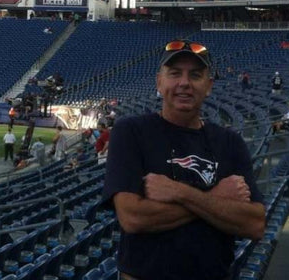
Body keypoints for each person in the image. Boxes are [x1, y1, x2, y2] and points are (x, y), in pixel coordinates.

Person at [102, 39, 265, 280]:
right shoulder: (131, 131)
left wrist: (180, 192)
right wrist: (216, 198)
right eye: (175, 73)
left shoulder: (230, 142)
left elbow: (255, 224)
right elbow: (133, 217)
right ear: (159, 82)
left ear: (208, 86)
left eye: (195, 75)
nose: (184, 83)